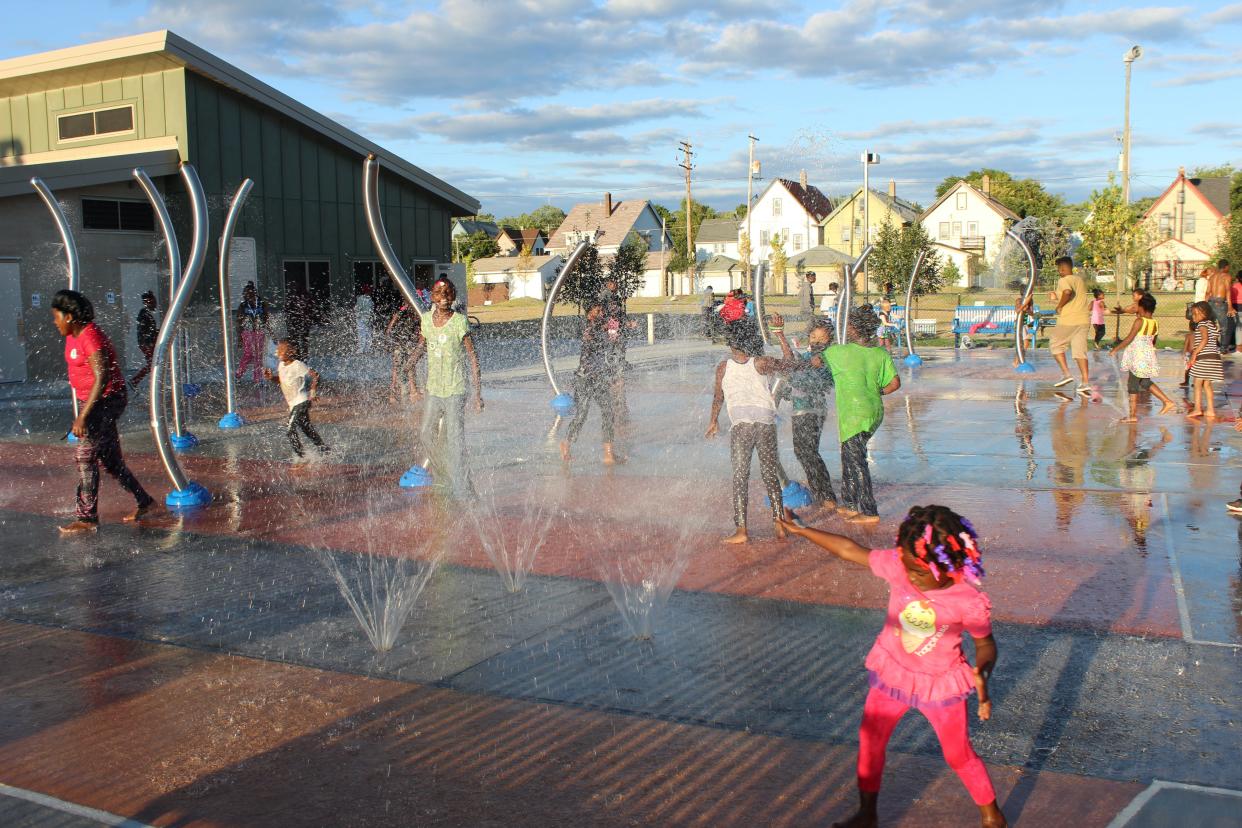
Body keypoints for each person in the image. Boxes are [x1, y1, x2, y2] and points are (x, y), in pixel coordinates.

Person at [776, 506, 1005, 828]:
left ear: (948, 564)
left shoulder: (967, 600)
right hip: (893, 673)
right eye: (909, 568)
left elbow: (985, 644)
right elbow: (848, 549)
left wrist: (983, 672)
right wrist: (804, 531)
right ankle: (867, 815)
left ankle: (992, 817)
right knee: (870, 740)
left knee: (957, 755)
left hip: (939, 685)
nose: (910, 577)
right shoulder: (901, 565)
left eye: (920, 573)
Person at [51, 290, 156, 534]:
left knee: (86, 456)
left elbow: (102, 377)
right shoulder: (72, 336)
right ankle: (145, 501)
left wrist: (83, 415)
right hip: (95, 402)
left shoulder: (90, 335)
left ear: (69, 316)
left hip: (108, 399)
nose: (54, 322)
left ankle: (87, 519)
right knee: (111, 461)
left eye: (56, 317)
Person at [705, 323, 804, 544]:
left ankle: (741, 530)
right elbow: (790, 365)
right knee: (770, 475)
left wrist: (713, 421)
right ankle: (779, 523)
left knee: (740, 477)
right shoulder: (761, 363)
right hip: (765, 424)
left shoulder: (723, 367)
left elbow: (717, 397)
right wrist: (780, 335)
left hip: (741, 426)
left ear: (731, 343)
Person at [820, 305, 900, 526]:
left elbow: (815, 362)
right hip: (873, 412)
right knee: (850, 456)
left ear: (854, 328)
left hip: (854, 415)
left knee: (857, 462)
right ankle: (850, 504)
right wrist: (875, 392)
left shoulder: (839, 352)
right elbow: (894, 384)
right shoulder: (880, 353)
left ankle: (869, 510)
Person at [410, 278, 483, 499]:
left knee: (456, 442)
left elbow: (472, 356)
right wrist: (411, 382)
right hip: (434, 389)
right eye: (439, 293)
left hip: (455, 389)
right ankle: (444, 476)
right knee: (425, 434)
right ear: (432, 296)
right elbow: (419, 351)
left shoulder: (460, 322)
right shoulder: (425, 321)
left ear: (452, 297)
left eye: (448, 293)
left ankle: (465, 490)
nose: (443, 298)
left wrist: (478, 394)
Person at [772, 314, 837, 511]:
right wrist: (781, 335)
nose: (817, 342)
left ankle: (826, 496)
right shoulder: (810, 356)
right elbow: (791, 363)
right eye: (813, 337)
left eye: (821, 339)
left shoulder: (828, 357)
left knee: (807, 452)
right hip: (802, 410)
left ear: (829, 340)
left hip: (813, 410)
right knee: (804, 452)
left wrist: (792, 376)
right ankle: (822, 493)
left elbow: (802, 374)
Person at [560, 302, 620, 465]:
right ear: (589, 314)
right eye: (597, 311)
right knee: (582, 414)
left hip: (599, 377)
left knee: (608, 411)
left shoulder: (605, 326)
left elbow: (613, 340)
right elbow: (589, 343)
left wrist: (615, 324)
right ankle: (566, 444)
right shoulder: (587, 328)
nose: (601, 313)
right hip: (584, 378)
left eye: (602, 310)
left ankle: (608, 453)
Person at [1110, 293, 1177, 421]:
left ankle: (1132, 416)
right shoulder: (1155, 323)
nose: (1136, 308)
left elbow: (1129, 338)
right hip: (1147, 355)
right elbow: (1153, 341)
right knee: (1144, 381)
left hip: (1138, 356)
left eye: (1137, 306)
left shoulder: (1139, 321)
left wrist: (1115, 349)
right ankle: (1167, 401)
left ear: (1142, 307)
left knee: (1133, 383)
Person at [264, 339, 330, 458]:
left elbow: (316, 376)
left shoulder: (298, 365)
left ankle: (301, 457)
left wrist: (313, 392)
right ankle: (324, 449)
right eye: (278, 350)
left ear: (292, 351)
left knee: (290, 429)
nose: (278, 352)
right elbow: (281, 380)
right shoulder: (281, 365)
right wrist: (271, 378)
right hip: (293, 404)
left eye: (282, 350)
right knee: (307, 429)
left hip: (302, 401)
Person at [1047, 256, 1092, 395]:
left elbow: (1067, 292)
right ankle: (1085, 382)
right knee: (1080, 351)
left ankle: (1067, 374)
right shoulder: (1079, 280)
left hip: (1069, 320)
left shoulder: (1063, 280)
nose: (1059, 272)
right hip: (1083, 320)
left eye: (1059, 269)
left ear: (1062, 269)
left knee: (1055, 345)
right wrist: (1057, 300)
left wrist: (1059, 305)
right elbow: (1072, 298)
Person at [1186, 301, 1224, 420]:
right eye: (1193, 314)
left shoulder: (1202, 325)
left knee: (1197, 384)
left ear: (1206, 314)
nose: (1194, 316)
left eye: (1197, 314)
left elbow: (1204, 340)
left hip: (1204, 358)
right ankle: (1211, 410)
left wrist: (1195, 354)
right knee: (1207, 384)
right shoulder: (1212, 325)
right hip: (1214, 358)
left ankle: (1197, 409)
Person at [386, 302, 422, 402]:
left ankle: (412, 391)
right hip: (399, 342)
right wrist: (390, 329)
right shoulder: (404, 311)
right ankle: (395, 394)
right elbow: (394, 319)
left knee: (408, 366)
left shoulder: (415, 314)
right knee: (397, 367)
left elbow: (419, 331)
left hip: (407, 342)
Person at [235, 282, 268, 383]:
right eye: (246, 293)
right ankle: (238, 375)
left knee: (258, 356)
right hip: (247, 332)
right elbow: (239, 322)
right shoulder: (243, 306)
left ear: (255, 293)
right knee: (248, 354)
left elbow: (266, 319)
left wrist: (271, 333)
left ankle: (258, 379)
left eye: (250, 293)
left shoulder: (262, 304)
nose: (248, 295)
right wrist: (239, 337)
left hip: (259, 332)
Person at [128, 291, 159, 386]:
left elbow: (148, 331)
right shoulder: (144, 314)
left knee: (154, 363)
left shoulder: (146, 314)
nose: (155, 304)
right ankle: (134, 381)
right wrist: (155, 335)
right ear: (148, 302)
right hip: (147, 344)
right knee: (152, 364)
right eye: (154, 302)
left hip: (147, 343)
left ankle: (137, 381)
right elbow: (144, 332)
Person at [1209, 260, 1235, 353]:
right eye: (1228, 267)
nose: (1229, 269)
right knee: (1224, 327)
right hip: (1220, 303)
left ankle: (1210, 347)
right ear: (1225, 267)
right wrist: (1230, 307)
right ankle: (1223, 348)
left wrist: (1205, 304)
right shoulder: (1226, 276)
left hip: (1210, 302)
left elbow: (1208, 292)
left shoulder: (1212, 277)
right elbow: (1228, 291)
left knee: (1210, 326)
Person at [285, 283, 312, 360]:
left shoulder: (292, 297)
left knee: (297, 341)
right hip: (302, 322)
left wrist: (289, 323)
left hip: (296, 322)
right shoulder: (306, 296)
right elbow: (310, 309)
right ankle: (302, 357)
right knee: (303, 341)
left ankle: (299, 356)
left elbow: (287, 310)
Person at [355, 286, 374, 355]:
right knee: (362, 334)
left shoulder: (369, 299)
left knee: (368, 334)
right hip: (362, 319)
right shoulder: (361, 298)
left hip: (368, 319)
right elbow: (357, 309)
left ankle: (366, 349)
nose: (370, 292)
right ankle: (361, 349)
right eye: (369, 291)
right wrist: (360, 317)